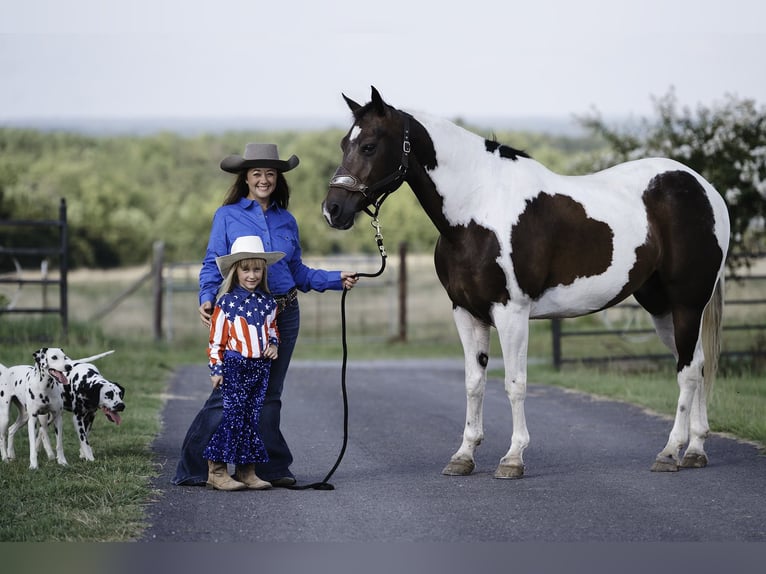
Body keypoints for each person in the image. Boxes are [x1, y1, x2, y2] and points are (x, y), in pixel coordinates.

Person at [173, 143, 358, 487]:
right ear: (245, 177)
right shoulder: (226, 216)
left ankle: (268, 467)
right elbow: (213, 262)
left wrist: (335, 279)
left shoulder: (286, 220)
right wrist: (207, 297)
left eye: (270, 173)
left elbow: (298, 272)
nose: (264, 179)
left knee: (270, 393)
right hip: (241, 316)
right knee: (228, 393)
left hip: (283, 313)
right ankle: (198, 466)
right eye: (257, 173)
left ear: (278, 178)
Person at [204, 235, 282, 491]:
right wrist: (216, 369)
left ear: (263, 270)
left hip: (260, 368)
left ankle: (247, 470)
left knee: (252, 418)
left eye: (257, 269)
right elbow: (216, 341)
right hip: (235, 367)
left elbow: (272, 329)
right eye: (245, 269)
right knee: (232, 417)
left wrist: (273, 345)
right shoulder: (225, 303)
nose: (252, 275)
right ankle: (216, 470)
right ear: (235, 271)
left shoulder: (268, 303)